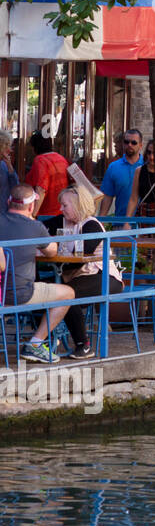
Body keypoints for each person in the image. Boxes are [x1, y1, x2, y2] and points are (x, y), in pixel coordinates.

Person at [2, 185, 75, 364]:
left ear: (8, 201)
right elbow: (52, 251)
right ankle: (35, 344)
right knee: (68, 293)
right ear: (31, 206)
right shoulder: (35, 226)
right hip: (20, 293)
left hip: (1, 292)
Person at [54, 186, 123, 360]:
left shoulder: (91, 225)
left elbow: (81, 254)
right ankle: (46, 339)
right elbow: (38, 229)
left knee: (66, 295)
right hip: (76, 276)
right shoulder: (61, 221)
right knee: (42, 289)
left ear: (78, 205)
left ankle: (83, 345)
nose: (61, 209)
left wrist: (49, 252)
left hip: (104, 276)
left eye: (64, 205)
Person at [98, 127, 144, 217]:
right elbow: (107, 196)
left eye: (134, 142)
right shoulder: (113, 167)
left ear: (140, 145)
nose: (130, 145)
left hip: (144, 224)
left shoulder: (146, 166)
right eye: (126, 142)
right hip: (120, 224)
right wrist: (101, 221)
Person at [26, 132, 69, 222]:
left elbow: (41, 189)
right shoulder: (61, 158)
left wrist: (33, 215)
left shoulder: (40, 160)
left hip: (45, 215)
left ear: (35, 147)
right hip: (61, 212)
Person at [126, 140, 155, 219]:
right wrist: (127, 222)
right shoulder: (139, 171)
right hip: (144, 213)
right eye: (149, 152)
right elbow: (134, 199)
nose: (151, 157)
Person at [0, 132, 19, 201]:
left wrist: (10, 166)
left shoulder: (4, 164)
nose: (10, 150)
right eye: (8, 146)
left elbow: (16, 186)